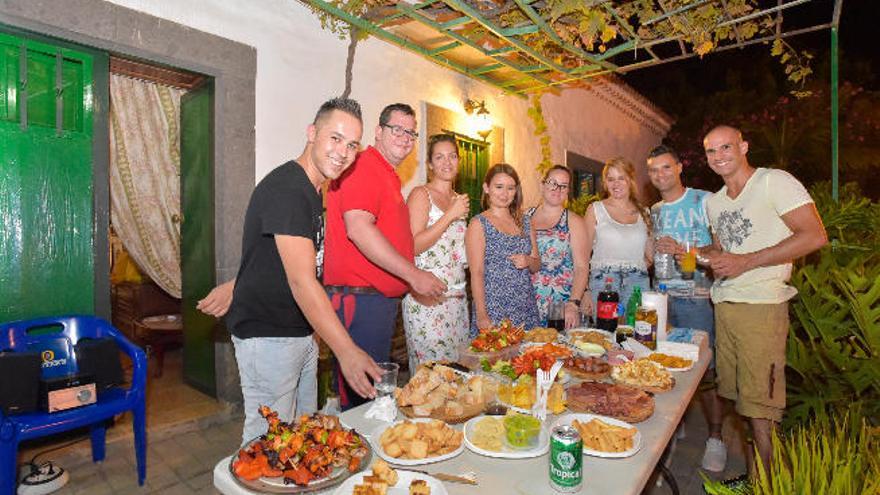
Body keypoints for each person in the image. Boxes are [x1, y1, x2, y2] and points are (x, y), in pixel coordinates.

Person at [207, 98, 382, 444]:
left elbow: (274, 255)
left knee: (300, 440)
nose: (343, 152)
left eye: (352, 145)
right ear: (312, 133)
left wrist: (237, 282)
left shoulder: (312, 190)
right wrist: (345, 350)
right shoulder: (288, 189)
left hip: (300, 334)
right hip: (269, 337)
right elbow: (302, 281)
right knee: (268, 446)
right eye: (335, 138)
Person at [700, 125, 827, 479]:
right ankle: (755, 477)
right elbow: (723, 251)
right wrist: (698, 254)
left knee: (762, 411)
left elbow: (815, 235)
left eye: (726, 147)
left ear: (743, 146)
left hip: (762, 307)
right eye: (711, 151)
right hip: (726, 306)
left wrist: (747, 261)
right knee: (742, 403)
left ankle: (769, 486)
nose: (719, 156)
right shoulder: (715, 202)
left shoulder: (773, 182)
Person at [323, 103, 446, 410]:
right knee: (361, 401)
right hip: (360, 302)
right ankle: (360, 454)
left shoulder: (385, 174)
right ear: (378, 132)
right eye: (397, 129)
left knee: (372, 398)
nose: (405, 138)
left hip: (374, 303)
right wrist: (414, 276)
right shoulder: (364, 165)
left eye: (411, 133)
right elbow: (359, 229)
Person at [645, 145, 726, 471]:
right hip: (661, 298)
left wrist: (684, 251)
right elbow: (654, 255)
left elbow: (719, 248)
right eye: (653, 170)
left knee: (705, 374)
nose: (660, 175)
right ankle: (672, 425)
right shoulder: (654, 209)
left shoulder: (704, 200)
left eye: (666, 167)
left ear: (679, 167)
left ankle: (716, 437)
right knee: (663, 365)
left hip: (697, 299)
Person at [401, 134, 470, 367]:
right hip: (427, 299)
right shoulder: (421, 194)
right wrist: (450, 215)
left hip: (457, 298)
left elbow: (457, 250)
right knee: (432, 377)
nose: (447, 162)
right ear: (430, 164)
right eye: (439, 157)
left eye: (452, 156)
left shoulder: (459, 199)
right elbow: (413, 246)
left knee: (458, 374)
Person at [466, 163, 541, 335]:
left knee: (529, 359)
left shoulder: (526, 221)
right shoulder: (479, 224)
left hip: (525, 306)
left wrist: (528, 260)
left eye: (510, 188)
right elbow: (476, 273)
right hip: (494, 307)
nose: (504, 194)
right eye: (499, 187)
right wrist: (482, 315)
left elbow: (537, 265)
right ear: (487, 188)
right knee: (496, 361)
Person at [582, 157, 652, 317]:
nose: (616, 183)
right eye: (611, 179)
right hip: (603, 283)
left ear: (630, 181)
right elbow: (582, 256)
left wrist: (633, 268)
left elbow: (650, 256)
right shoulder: (595, 209)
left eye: (621, 178)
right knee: (604, 336)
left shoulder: (644, 212)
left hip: (637, 285)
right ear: (605, 183)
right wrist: (585, 290)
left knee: (637, 335)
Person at [525, 165, 589, 329]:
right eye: (553, 183)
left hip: (560, 308)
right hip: (524, 301)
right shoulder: (524, 217)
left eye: (563, 185)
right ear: (542, 185)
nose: (557, 189)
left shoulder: (574, 222)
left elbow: (581, 268)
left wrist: (573, 304)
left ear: (568, 191)